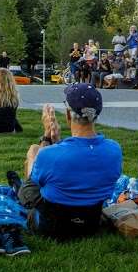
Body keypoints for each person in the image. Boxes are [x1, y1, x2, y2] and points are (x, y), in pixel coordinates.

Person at [12, 84, 122, 242]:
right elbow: (80, 161)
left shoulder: (50, 154)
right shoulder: (114, 149)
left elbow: (30, 190)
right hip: (91, 223)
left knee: (33, 153)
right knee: (41, 156)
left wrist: (46, 137)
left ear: (69, 114)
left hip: (52, 226)